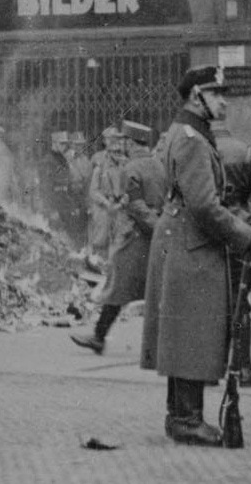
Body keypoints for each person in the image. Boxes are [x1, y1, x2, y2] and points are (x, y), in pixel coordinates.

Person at [141, 65, 251, 447]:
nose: (224, 101)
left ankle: (181, 416)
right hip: (192, 241)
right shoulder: (192, 137)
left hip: (184, 237)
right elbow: (205, 205)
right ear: (196, 97)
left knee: (184, 331)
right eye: (217, 93)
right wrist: (243, 234)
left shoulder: (189, 132)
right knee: (191, 330)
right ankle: (186, 419)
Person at [72, 121, 165, 355]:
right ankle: (155, 343)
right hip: (153, 237)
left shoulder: (130, 169)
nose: (122, 145)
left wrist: (153, 226)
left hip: (135, 237)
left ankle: (99, 337)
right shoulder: (159, 165)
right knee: (153, 292)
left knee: (117, 288)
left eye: (124, 141)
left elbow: (134, 205)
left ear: (131, 143)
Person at [212, 120, 251, 387]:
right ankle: (244, 368)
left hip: (211, 232)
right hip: (241, 230)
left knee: (212, 301)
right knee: (240, 300)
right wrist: (246, 218)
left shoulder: (204, 149)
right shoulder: (246, 151)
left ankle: (213, 366)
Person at [87, 126, 127, 263]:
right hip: (103, 207)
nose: (117, 153)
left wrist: (122, 202)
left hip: (118, 207)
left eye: (119, 151)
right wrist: (105, 203)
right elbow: (92, 190)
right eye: (114, 152)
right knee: (100, 240)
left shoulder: (124, 164)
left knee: (118, 241)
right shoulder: (99, 162)